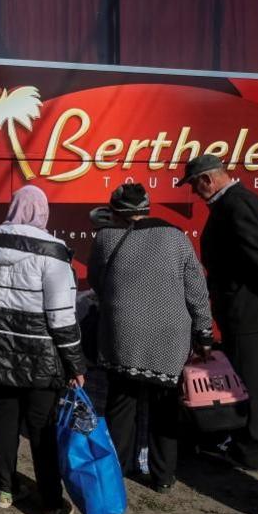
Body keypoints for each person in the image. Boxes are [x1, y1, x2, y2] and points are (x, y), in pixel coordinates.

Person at [0, 185, 85, 514]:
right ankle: (53, 504)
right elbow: (61, 316)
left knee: (3, 417)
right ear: (42, 212)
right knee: (41, 427)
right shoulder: (53, 250)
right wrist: (76, 364)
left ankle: (5, 489)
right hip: (41, 355)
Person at [88, 183, 213, 493]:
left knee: (121, 403)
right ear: (147, 207)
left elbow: (97, 281)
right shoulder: (176, 237)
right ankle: (163, 476)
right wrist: (204, 332)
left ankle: (117, 467)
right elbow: (196, 290)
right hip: (169, 335)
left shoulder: (106, 237)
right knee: (165, 406)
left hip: (123, 333)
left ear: (115, 210)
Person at [177, 154, 258, 471]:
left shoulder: (235, 205)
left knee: (251, 383)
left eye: (194, 185)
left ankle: (251, 450)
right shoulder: (241, 201)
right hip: (253, 309)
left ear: (207, 179)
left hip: (249, 310)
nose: (193, 192)